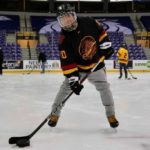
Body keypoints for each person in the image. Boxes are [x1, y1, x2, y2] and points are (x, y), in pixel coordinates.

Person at [48, 3, 119, 128]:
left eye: (68, 16)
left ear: (73, 15)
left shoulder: (89, 22)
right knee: (64, 90)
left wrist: (106, 46)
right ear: (60, 22)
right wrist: (74, 81)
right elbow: (67, 62)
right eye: (63, 19)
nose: (67, 21)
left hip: (96, 65)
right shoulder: (63, 39)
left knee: (104, 88)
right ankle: (55, 114)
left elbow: (101, 33)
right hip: (78, 69)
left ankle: (111, 115)